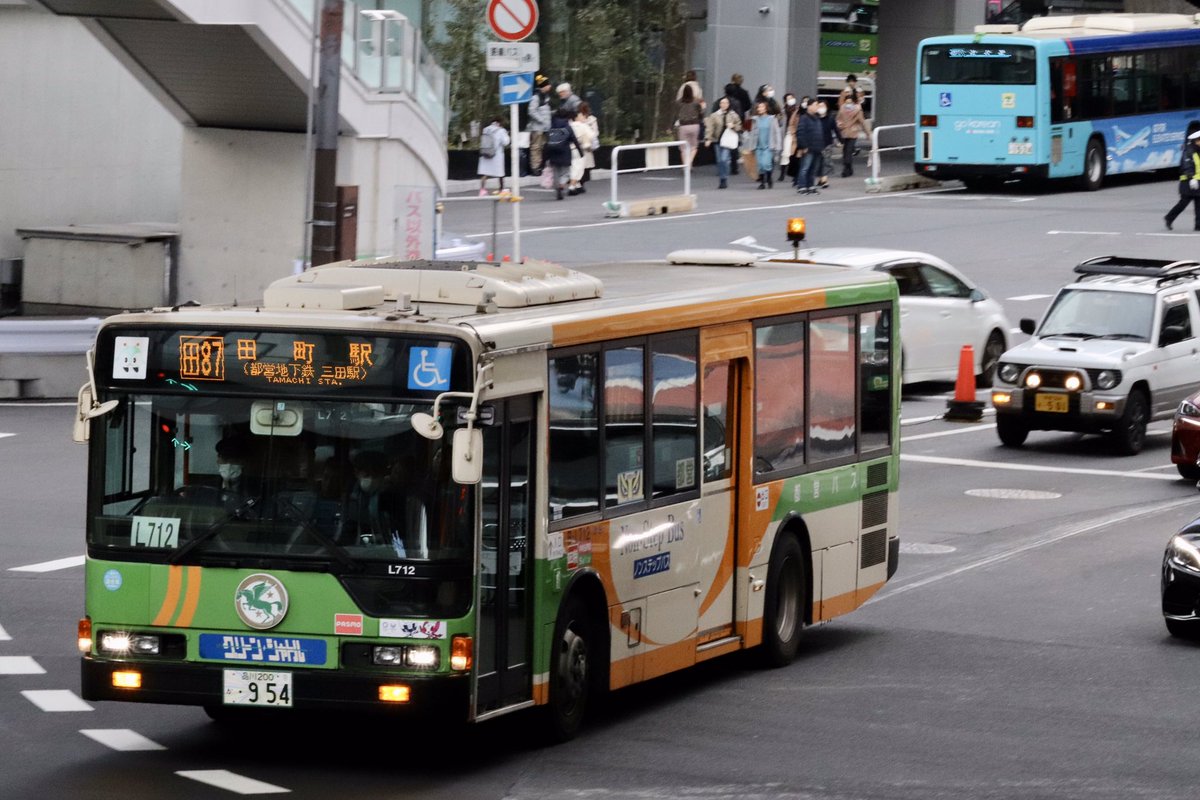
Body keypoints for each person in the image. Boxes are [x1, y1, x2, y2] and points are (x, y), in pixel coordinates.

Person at [704, 96, 742, 189]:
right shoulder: (714, 115)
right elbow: (710, 127)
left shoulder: (733, 115)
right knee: (719, 160)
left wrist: (733, 126)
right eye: (722, 103)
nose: (724, 105)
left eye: (726, 103)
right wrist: (708, 138)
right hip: (717, 140)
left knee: (724, 159)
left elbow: (739, 125)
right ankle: (722, 178)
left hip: (727, 140)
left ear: (728, 104)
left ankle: (724, 178)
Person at [545, 108, 584, 200]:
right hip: (565, 152)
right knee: (566, 172)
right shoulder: (567, 127)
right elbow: (574, 140)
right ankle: (561, 185)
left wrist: (545, 157)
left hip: (553, 152)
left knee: (556, 172)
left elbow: (547, 141)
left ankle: (557, 187)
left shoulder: (551, 126)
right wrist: (580, 152)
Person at [1166, 130, 1200, 230]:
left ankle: (1198, 225)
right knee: (1183, 203)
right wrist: (1191, 178)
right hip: (1187, 182)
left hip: (1198, 181)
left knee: (1199, 205)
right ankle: (1169, 217)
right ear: (1195, 141)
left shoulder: (1198, 151)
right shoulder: (1188, 151)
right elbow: (1187, 166)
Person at [835, 90, 870, 178]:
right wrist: (839, 124)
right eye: (847, 102)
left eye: (850, 102)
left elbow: (862, 122)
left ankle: (846, 169)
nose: (848, 104)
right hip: (843, 132)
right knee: (845, 151)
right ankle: (849, 168)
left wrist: (867, 133)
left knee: (848, 150)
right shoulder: (842, 109)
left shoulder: (857, 110)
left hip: (853, 133)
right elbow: (838, 119)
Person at [795, 100, 825, 194]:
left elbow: (820, 133)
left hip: (817, 147)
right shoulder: (804, 118)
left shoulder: (817, 118)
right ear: (809, 106)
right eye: (815, 105)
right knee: (805, 168)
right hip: (808, 147)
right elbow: (800, 133)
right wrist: (803, 146)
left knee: (813, 169)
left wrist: (821, 147)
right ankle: (802, 186)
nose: (817, 107)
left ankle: (811, 185)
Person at [476, 117, 510, 196]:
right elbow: (506, 142)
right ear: (499, 123)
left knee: (485, 173)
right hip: (496, 155)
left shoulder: (485, 129)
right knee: (500, 173)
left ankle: (482, 190)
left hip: (485, 153)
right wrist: (507, 135)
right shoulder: (501, 130)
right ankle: (502, 189)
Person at [750, 101, 781, 189]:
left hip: (768, 146)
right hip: (758, 146)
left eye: (762, 107)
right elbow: (752, 133)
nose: (760, 109)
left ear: (766, 108)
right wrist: (751, 146)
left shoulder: (772, 119)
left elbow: (777, 133)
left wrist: (778, 146)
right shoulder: (755, 120)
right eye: (758, 107)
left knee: (766, 164)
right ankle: (762, 183)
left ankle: (769, 178)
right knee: (760, 165)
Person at [527, 74, 553, 175]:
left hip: (545, 128)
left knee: (543, 147)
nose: (550, 86)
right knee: (536, 148)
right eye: (548, 85)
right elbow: (531, 111)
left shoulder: (545, 97)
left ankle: (541, 166)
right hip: (537, 128)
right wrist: (542, 120)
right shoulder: (536, 97)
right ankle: (535, 167)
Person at [568, 107, 597, 195]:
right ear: (576, 117)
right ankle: (572, 187)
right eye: (580, 115)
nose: (583, 117)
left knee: (571, 168)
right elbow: (592, 135)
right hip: (578, 149)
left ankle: (577, 185)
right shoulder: (582, 125)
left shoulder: (568, 125)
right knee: (578, 168)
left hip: (568, 149)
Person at [676, 84, 704, 169]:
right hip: (694, 125)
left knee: (683, 148)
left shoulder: (679, 102)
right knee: (694, 146)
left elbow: (676, 113)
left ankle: (685, 165)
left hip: (683, 126)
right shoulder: (696, 102)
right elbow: (701, 114)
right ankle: (689, 162)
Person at [778, 92, 801, 183]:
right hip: (788, 133)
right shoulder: (783, 111)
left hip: (797, 133)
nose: (791, 100)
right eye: (788, 99)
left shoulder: (798, 109)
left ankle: (795, 175)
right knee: (786, 153)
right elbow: (780, 122)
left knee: (795, 154)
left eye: (792, 98)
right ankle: (782, 174)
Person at [576, 101, 600, 184]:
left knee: (579, 167)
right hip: (588, 146)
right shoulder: (592, 119)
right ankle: (581, 183)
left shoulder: (576, 119)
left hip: (579, 145)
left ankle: (579, 184)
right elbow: (595, 133)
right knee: (586, 166)